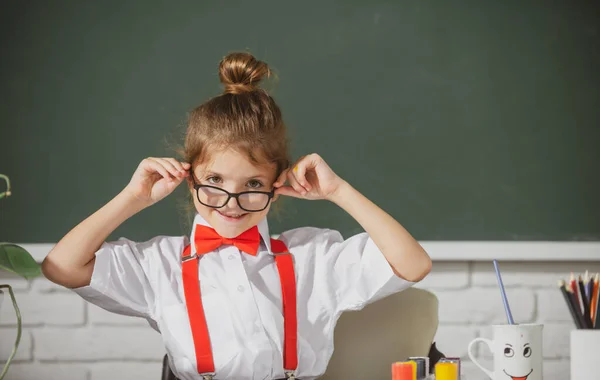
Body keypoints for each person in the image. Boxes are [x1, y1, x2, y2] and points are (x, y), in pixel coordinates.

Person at [42, 52, 432, 380]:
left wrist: (338, 191)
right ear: (189, 176)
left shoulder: (312, 256)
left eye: (252, 184)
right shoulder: (159, 264)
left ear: (277, 182)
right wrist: (133, 197)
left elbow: (412, 264)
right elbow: (62, 266)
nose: (230, 201)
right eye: (214, 179)